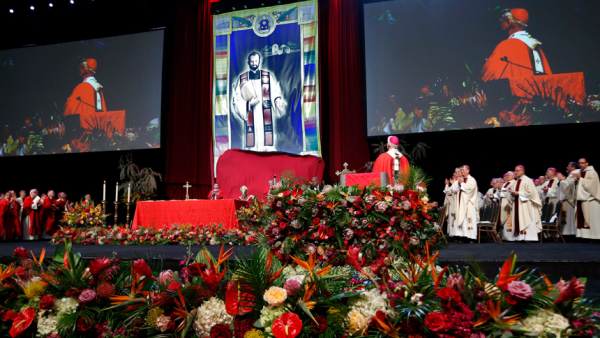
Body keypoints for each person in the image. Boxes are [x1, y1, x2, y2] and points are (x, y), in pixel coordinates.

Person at [232, 52, 285, 151]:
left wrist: (277, 100)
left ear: (259, 61)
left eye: (256, 61)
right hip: (251, 112)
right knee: (252, 143)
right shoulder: (242, 78)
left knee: (266, 142)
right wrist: (248, 104)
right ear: (248, 62)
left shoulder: (267, 76)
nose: (254, 63)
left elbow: (274, 91)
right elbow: (237, 99)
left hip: (265, 114)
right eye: (252, 61)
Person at [482, 8, 552, 82]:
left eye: (501, 22)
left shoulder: (506, 45)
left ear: (509, 23)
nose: (499, 25)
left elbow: (488, 76)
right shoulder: (535, 44)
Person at [508, 165, 542, 241]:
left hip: (526, 205)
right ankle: (520, 237)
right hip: (518, 203)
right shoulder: (517, 181)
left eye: (517, 171)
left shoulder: (528, 180)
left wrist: (519, 193)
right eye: (515, 171)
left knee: (526, 219)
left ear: (522, 171)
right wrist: (512, 193)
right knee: (519, 219)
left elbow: (532, 193)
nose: (515, 173)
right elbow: (515, 192)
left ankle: (529, 238)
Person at [574, 159, 600, 240]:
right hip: (583, 199)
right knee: (584, 218)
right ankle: (585, 236)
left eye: (582, 163)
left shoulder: (592, 172)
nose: (580, 165)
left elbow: (592, 184)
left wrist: (580, 179)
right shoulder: (580, 172)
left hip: (591, 199)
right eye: (579, 163)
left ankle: (595, 236)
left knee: (593, 220)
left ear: (587, 163)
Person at [454, 165, 479, 241]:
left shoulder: (472, 180)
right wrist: (459, 183)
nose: (462, 171)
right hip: (461, 203)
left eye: (463, 170)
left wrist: (461, 183)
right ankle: (462, 235)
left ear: (468, 170)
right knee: (462, 219)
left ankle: (471, 237)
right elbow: (455, 190)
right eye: (461, 170)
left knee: (468, 220)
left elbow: (469, 190)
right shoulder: (461, 179)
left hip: (469, 203)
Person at [557, 162, 577, 236]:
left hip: (570, 199)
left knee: (570, 219)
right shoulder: (570, 175)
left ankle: (571, 234)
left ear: (573, 168)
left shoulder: (574, 173)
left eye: (569, 166)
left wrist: (562, 179)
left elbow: (569, 185)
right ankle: (567, 234)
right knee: (567, 218)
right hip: (566, 199)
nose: (567, 168)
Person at [498, 171, 516, 241]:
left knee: (509, 219)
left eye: (508, 175)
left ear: (513, 176)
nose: (506, 177)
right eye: (506, 176)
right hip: (503, 202)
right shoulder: (505, 183)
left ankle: (510, 237)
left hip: (509, 203)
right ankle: (503, 236)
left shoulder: (514, 183)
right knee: (503, 219)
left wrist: (502, 188)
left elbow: (511, 192)